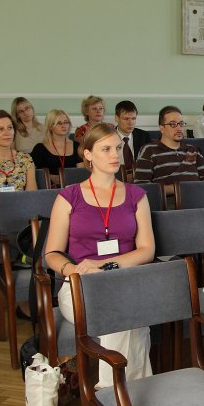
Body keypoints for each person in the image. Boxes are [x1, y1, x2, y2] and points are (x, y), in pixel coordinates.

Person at [44, 123, 155, 388]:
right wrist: (75, 270)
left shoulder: (136, 195)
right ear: (88, 154)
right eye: (106, 149)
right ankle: (128, 391)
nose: (115, 154)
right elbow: (52, 253)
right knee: (127, 315)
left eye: (117, 148)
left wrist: (105, 264)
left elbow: (147, 250)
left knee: (126, 308)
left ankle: (112, 392)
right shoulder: (69, 197)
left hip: (124, 278)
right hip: (80, 284)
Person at [134, 106, 204, 190]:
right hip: (168, 201)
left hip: (199, 198)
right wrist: (177, 190)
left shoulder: (192, 150)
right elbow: (142, 186)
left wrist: (203, 190)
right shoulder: (149, 150)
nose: (179, 128)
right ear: (162, 128)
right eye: (173, 124)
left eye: (181, 124)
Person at [31, 109, 83, 186]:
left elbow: (81, 173)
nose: (63, 126)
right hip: (49, 189)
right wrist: (50, 177)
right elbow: (33, 174)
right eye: (59, 123)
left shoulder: (76, 146)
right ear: (50, 126)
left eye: (66, 122)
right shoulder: (40, 148)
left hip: (73, 188)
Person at [113, 100, 152, 176]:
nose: (130, 123)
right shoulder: (107, 137)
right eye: (126, 119)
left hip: (139, 179)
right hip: (114, 178)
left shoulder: (144, 136)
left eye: (133, 118)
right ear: (116, 118)